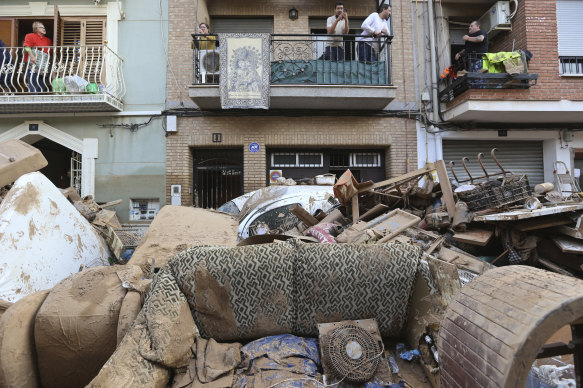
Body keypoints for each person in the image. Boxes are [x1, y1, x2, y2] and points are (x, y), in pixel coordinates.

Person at [23, 21, 52, 92]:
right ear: (36, 29)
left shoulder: (48, 40)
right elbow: (27, 47)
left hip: (44, 63)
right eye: (41, 27)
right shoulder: (30, 36)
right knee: (33, 81)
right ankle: (35, 97)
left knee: (43, 82)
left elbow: (50, 52)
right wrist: (32, 57)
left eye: (44, 27)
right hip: (33, 62)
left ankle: (41, 98)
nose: (44, 29)